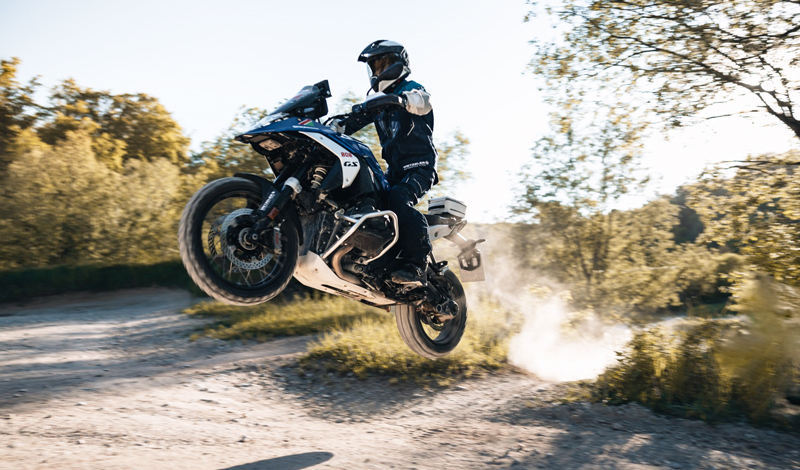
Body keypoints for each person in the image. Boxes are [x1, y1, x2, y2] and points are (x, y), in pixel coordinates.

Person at [335, 40, 437, 287]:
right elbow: (350, 123)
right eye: (374, 66)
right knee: (369, 200)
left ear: (398, 64)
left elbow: (423, 102)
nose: (378, 71)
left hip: (419, 166)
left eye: (383, 65)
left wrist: (399, 100)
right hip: (393, 170)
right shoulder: (378, 102)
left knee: (399, 199)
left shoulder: (410, 89)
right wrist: (334, 126)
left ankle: (417, 264)